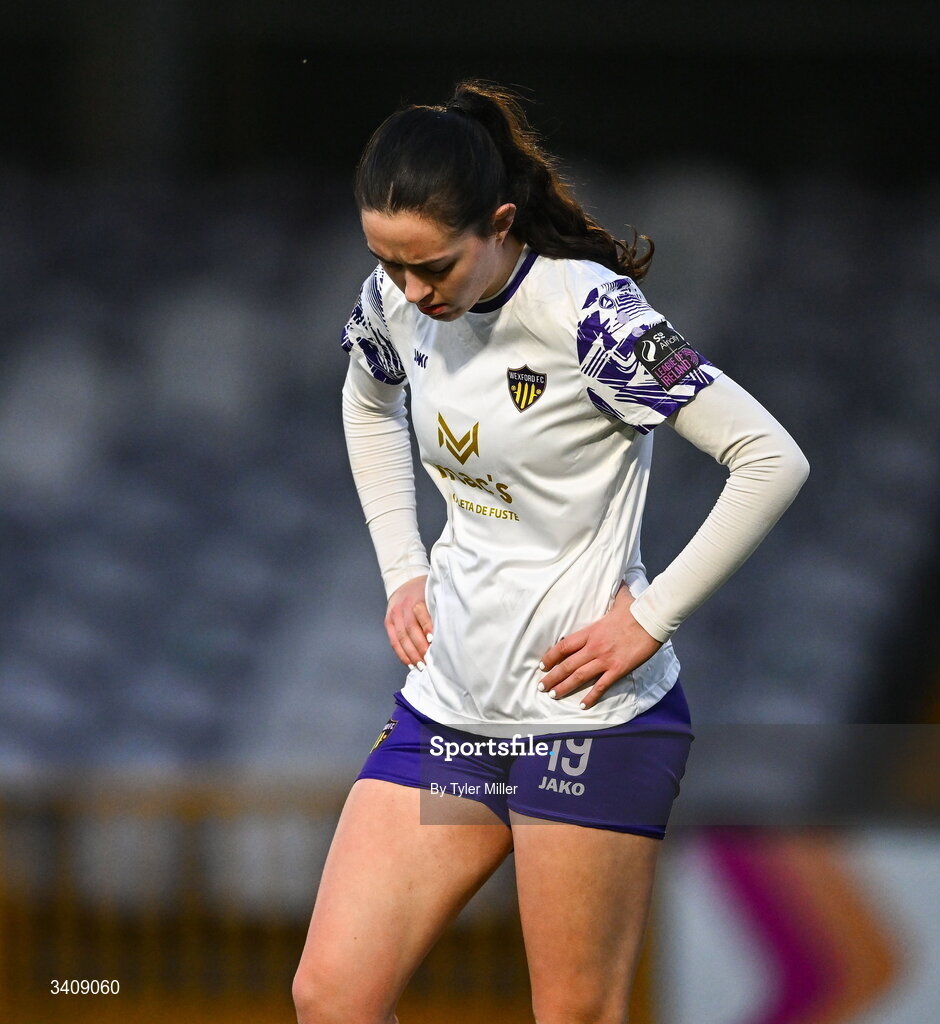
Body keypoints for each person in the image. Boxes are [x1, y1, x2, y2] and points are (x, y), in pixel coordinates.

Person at [293, 80, 809, 1024]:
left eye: (434, 267)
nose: (409, 292)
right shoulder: (396, 299)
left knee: (573, 1016)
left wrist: (649, 621)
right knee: (331, 997)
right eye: (387, 264)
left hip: (586, 725)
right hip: (448, 714)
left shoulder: (593, 317)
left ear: (498, 223)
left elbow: (771, 457)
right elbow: (368, 401)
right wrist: (402, 565)